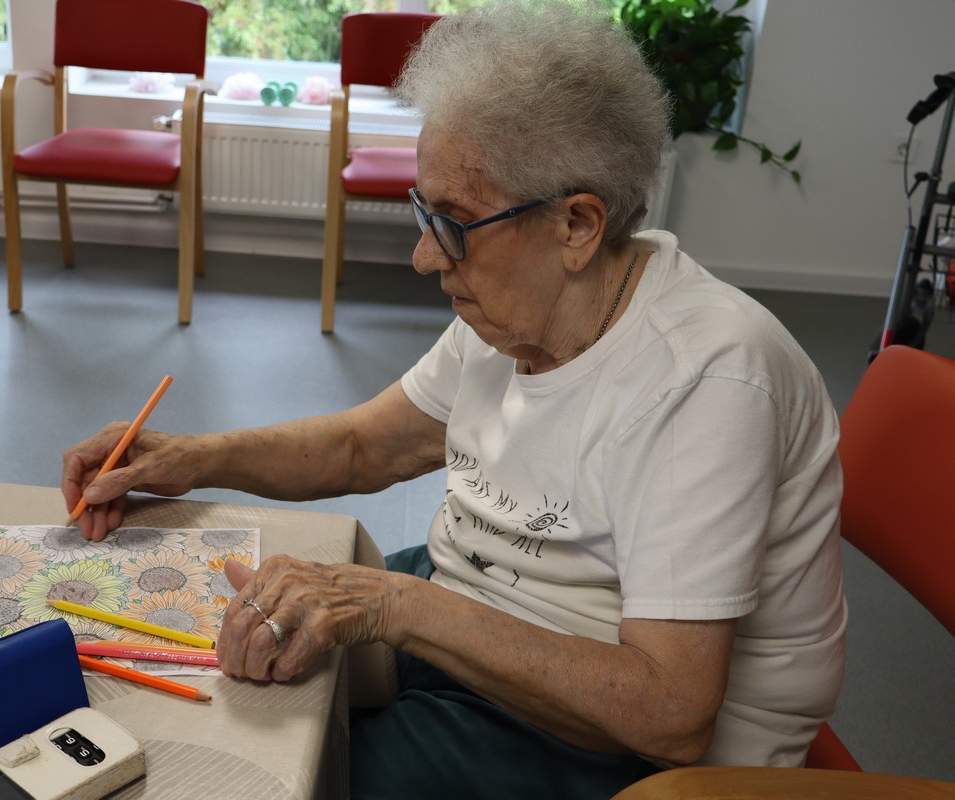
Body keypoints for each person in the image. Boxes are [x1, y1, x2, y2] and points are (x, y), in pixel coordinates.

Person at [61, 1, 847, 796]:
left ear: (577, 225)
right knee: (204, 655)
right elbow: (364, 446)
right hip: (476, 611)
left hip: (608, 740)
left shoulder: (705, 378)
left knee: (272, 777)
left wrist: (396, 607)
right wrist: (191, 457)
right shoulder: (519, 311)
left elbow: (669, 714)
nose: (424, 256)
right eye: (425, 212)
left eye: (454, 223)